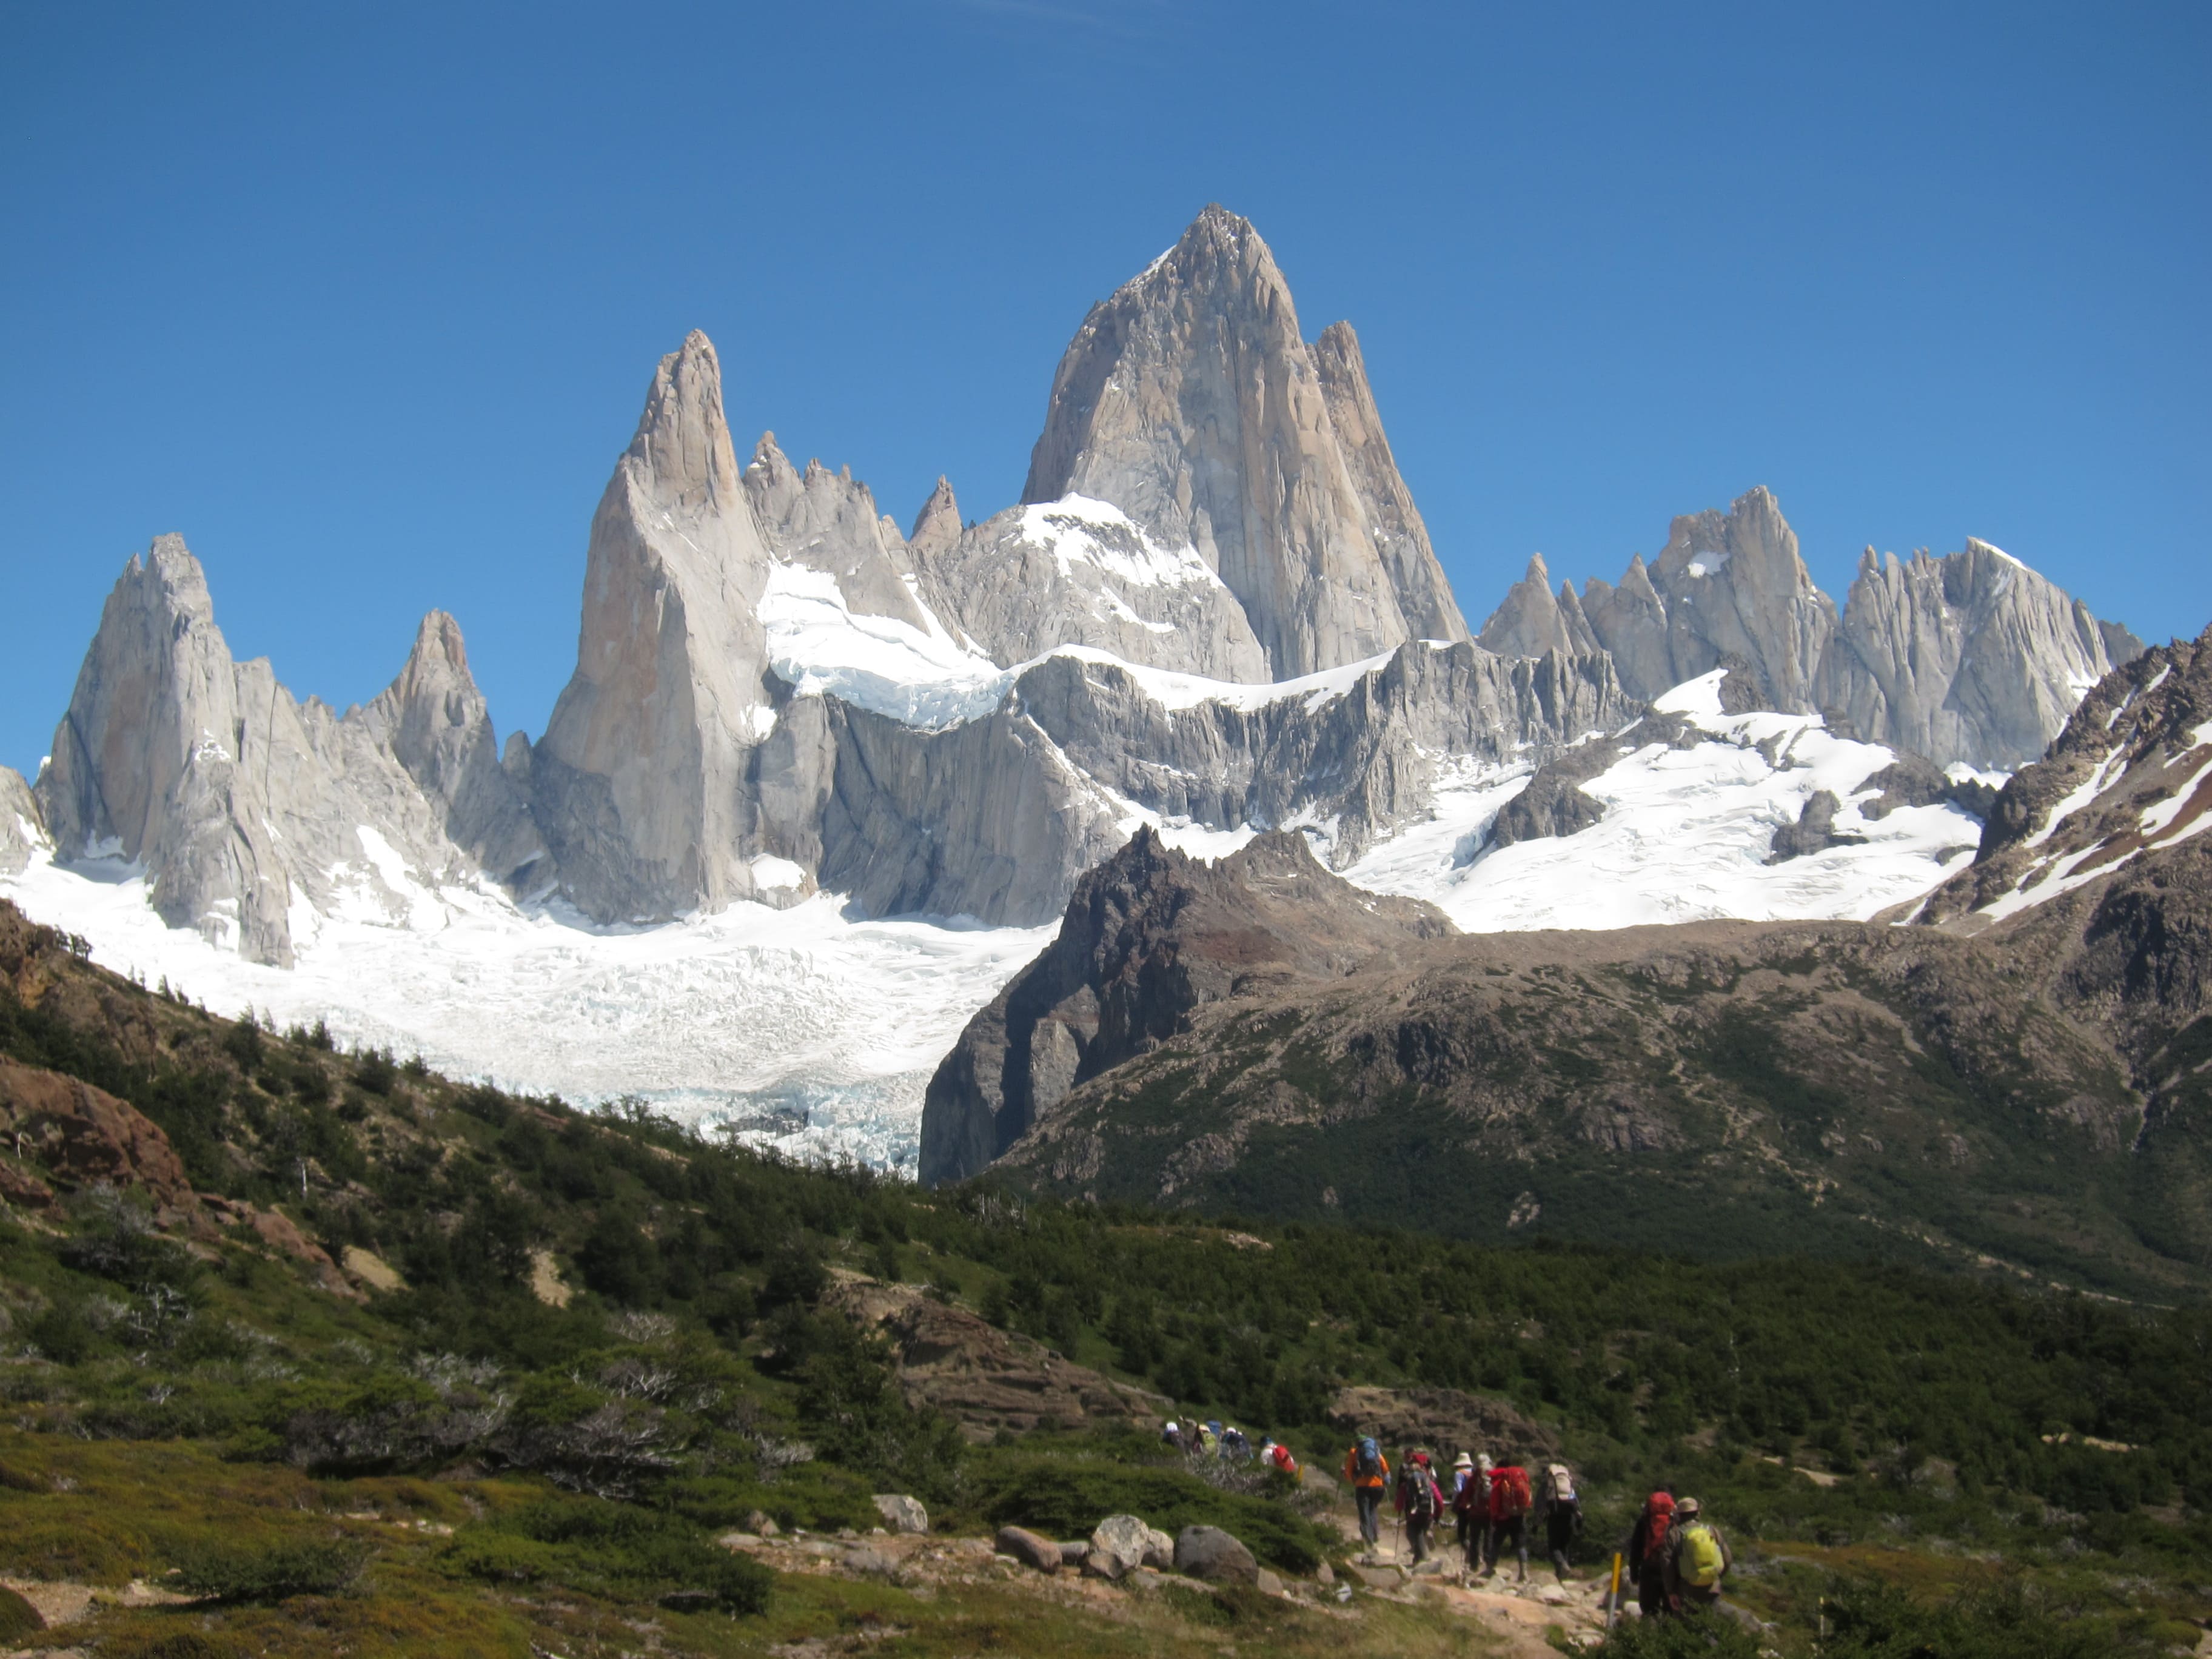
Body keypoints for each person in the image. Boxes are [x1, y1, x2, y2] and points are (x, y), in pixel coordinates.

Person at [1660, 1496, 1733, 1618]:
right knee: (1708, 1625)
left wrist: (1671, 1592)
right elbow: (1728, 1559)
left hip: (1685, 1589)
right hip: (1711, 1588)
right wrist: (1715, 1576)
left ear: (1679, 1515)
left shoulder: (1674, 1534)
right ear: (1698, 1513)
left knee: (1684, 1628)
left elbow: (1667, 1564)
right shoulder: (1712, 1530)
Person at [1623, 1490, 1676, 1619]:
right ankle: (1668, 1636)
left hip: (1649, 1568)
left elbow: (1636, 1549)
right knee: (1670, 1610)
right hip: (1671, 1571)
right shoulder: (1675, 1522)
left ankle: (1649, 1636)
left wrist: (1634, 1574)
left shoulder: (1644, 1522)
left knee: (1649, 1611)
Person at [1485, 1456, 1533, 1581]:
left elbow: (1494, 1500)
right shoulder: (1519, 1477)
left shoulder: (1499, 1480)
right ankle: (1524, 1573)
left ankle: (1490, 1569)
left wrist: (1494, 1516)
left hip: (1503, 1518)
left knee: (1496, 1543)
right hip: (1519, 1515)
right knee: (1521, 1545)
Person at [1396, 1450, 1445, 1564]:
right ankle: (1419, 1555)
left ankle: (1423, 1559)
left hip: (1413, 1514)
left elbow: (1399, 1503)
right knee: (1421, 1533)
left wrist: (1399, 1509)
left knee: (1412, 1533)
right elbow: (1439, 1501)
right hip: (1428, 1513)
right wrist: (1437, 1516)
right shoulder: (1429, 1483)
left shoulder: (1406, 1483)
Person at [1538, 1461, 1583, 1583]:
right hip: (1569, 1517)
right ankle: (1562, 1577)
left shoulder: (1547, 1484)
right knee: (1565, 1546)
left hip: (1555, 1517)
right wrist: (1579, 1517)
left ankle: (1562, 1566)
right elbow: (1575, 1500)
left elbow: (1542, 1504)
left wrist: (1537, 1522)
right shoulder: (1568, 1482)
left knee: (1554, 1547)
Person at [1342, 1435, 1390, 1549]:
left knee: (1364, 1513)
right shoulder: (1376, 1451)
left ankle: (1368, 1541)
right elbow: (1385, 1468)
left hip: (1362, 1486)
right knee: (1372, 1509)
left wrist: (1347, 1475)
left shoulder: (1354, 1452)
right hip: (1378, 1486)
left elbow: (1348, 1474)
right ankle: (1374, 1535)